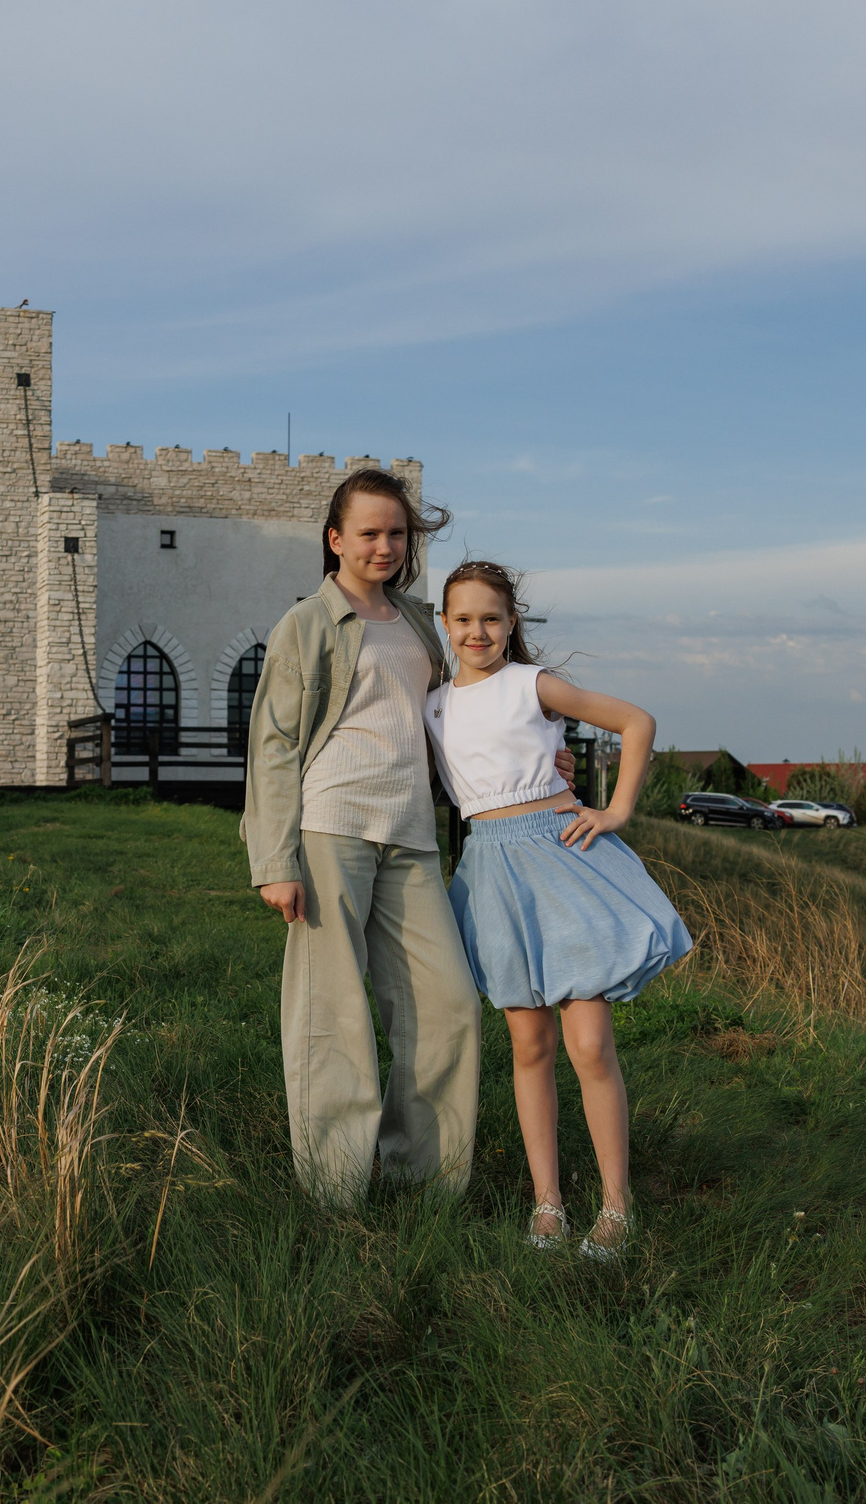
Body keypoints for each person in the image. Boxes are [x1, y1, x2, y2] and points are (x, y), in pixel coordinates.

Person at [424, 560, 691, 1260]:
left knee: (588, 1045)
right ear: (445, 625)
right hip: (491, 869)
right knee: (529, 1045)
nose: (477, 630)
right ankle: (548, 1203)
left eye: (491, 617)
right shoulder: (434, 704)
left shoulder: (531, 684)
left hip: (559, 855)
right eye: (463, 619)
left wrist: (617, 808)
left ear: (512, 623)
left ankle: (615, 1206)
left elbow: (636, 721)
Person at [243, 469, 480, 1206]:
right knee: (335, 1015)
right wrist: (275, 862)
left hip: (409, 836)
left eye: (397, 533)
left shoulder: (415, 620)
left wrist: (544, 753)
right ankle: (335, 1192)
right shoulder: (307, 624)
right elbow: (274, 744)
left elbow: (460, 715)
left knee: (449, 1005)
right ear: (335, 539)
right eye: (369, 533)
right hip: (330, 831)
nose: (385, 545)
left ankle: (426, 1185)